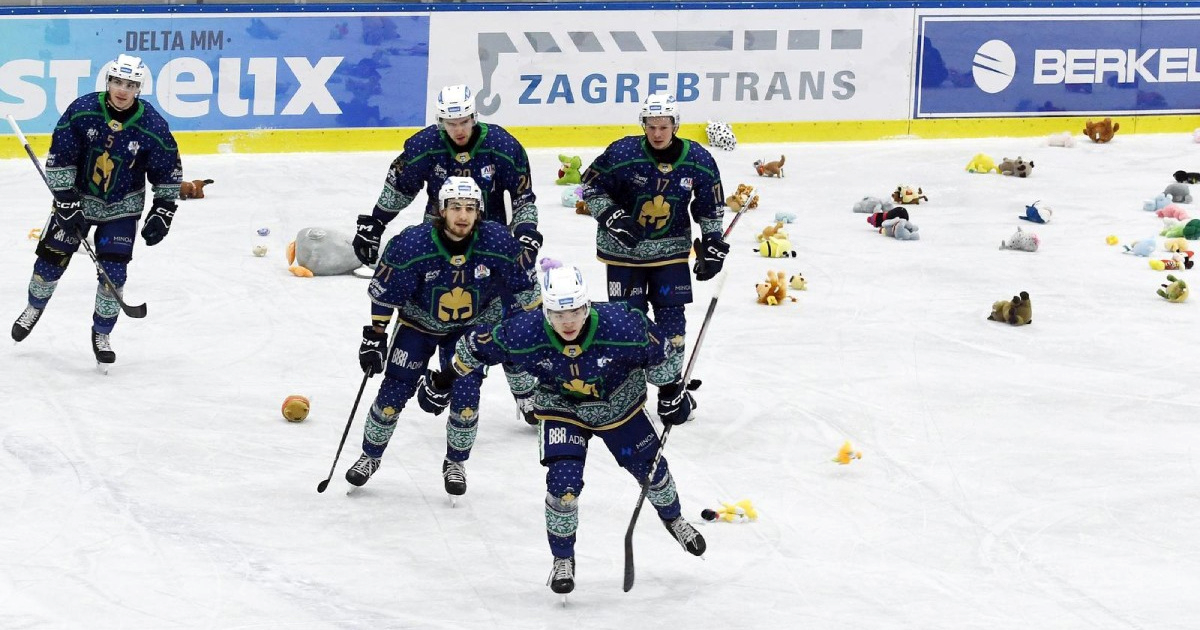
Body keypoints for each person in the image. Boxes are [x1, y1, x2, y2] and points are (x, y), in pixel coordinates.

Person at [445, 265, 705, 594]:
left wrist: (671, 393)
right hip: (561, 406)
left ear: (587, 307)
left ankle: (674, 518)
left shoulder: (621, 324)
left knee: (652, 471)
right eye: (557, 314)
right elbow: (475, 346)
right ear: (546, 311)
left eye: (574, 312)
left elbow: (662, 355)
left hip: (619, 404)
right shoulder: (526, 331)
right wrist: (445, 377)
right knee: (563, 483)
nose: (567, 322)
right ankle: (562, 560)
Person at [354, 83, 543, 422]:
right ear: (440, 122)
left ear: (474, 116)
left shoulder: (502, 145)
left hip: (493, 247)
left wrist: (526, 235)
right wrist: (376, 223)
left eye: (464, 121)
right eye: (450, 123)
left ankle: (526, 394)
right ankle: (439, 380)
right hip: (437, 248)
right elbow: (400, 187)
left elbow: (523, 197)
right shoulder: (426, 145)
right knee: (432, 315)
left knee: (514, 319)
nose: (458, 130)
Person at [348, 176, 539, 498]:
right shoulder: (412, 244)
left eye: (469, 208)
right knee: (393, 393)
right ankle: (369, 456)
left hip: (473, 326)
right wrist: (375, 337)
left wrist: (535, 325)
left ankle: (456, 462)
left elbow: (524, 285)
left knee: (466, 395)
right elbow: (386, 294)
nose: (462, 216)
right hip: (418, 325)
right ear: (441, 210)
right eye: (455, 208)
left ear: (479, 212)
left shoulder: (497, 241)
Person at [11, 54, 182, 367]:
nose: (122, 89)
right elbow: (61, 155)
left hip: (122, 207)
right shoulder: (83, 110)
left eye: (130, 84)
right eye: (117, 81)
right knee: (50, 261)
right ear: (109, 82)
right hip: (77, 200)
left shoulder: (152, 125)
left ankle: (102, 333)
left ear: (138, 88)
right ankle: (34, 307)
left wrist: (163, 209)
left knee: (113, 274)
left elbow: (167, 168)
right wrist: (65, 198)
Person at [580, 92, 729, 354]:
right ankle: (631, 388)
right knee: (627, 325)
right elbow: (591, 186)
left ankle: (670, 389)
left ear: (675, 126)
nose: (657, 134)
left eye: (663, 127)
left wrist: (713, 240)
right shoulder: (623, 152)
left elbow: (710, 207)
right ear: (643, 126)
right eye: (651, 127)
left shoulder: (698, 159)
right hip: (623, 253)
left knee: (672, 324)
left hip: (670, 252)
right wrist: (614, 218)